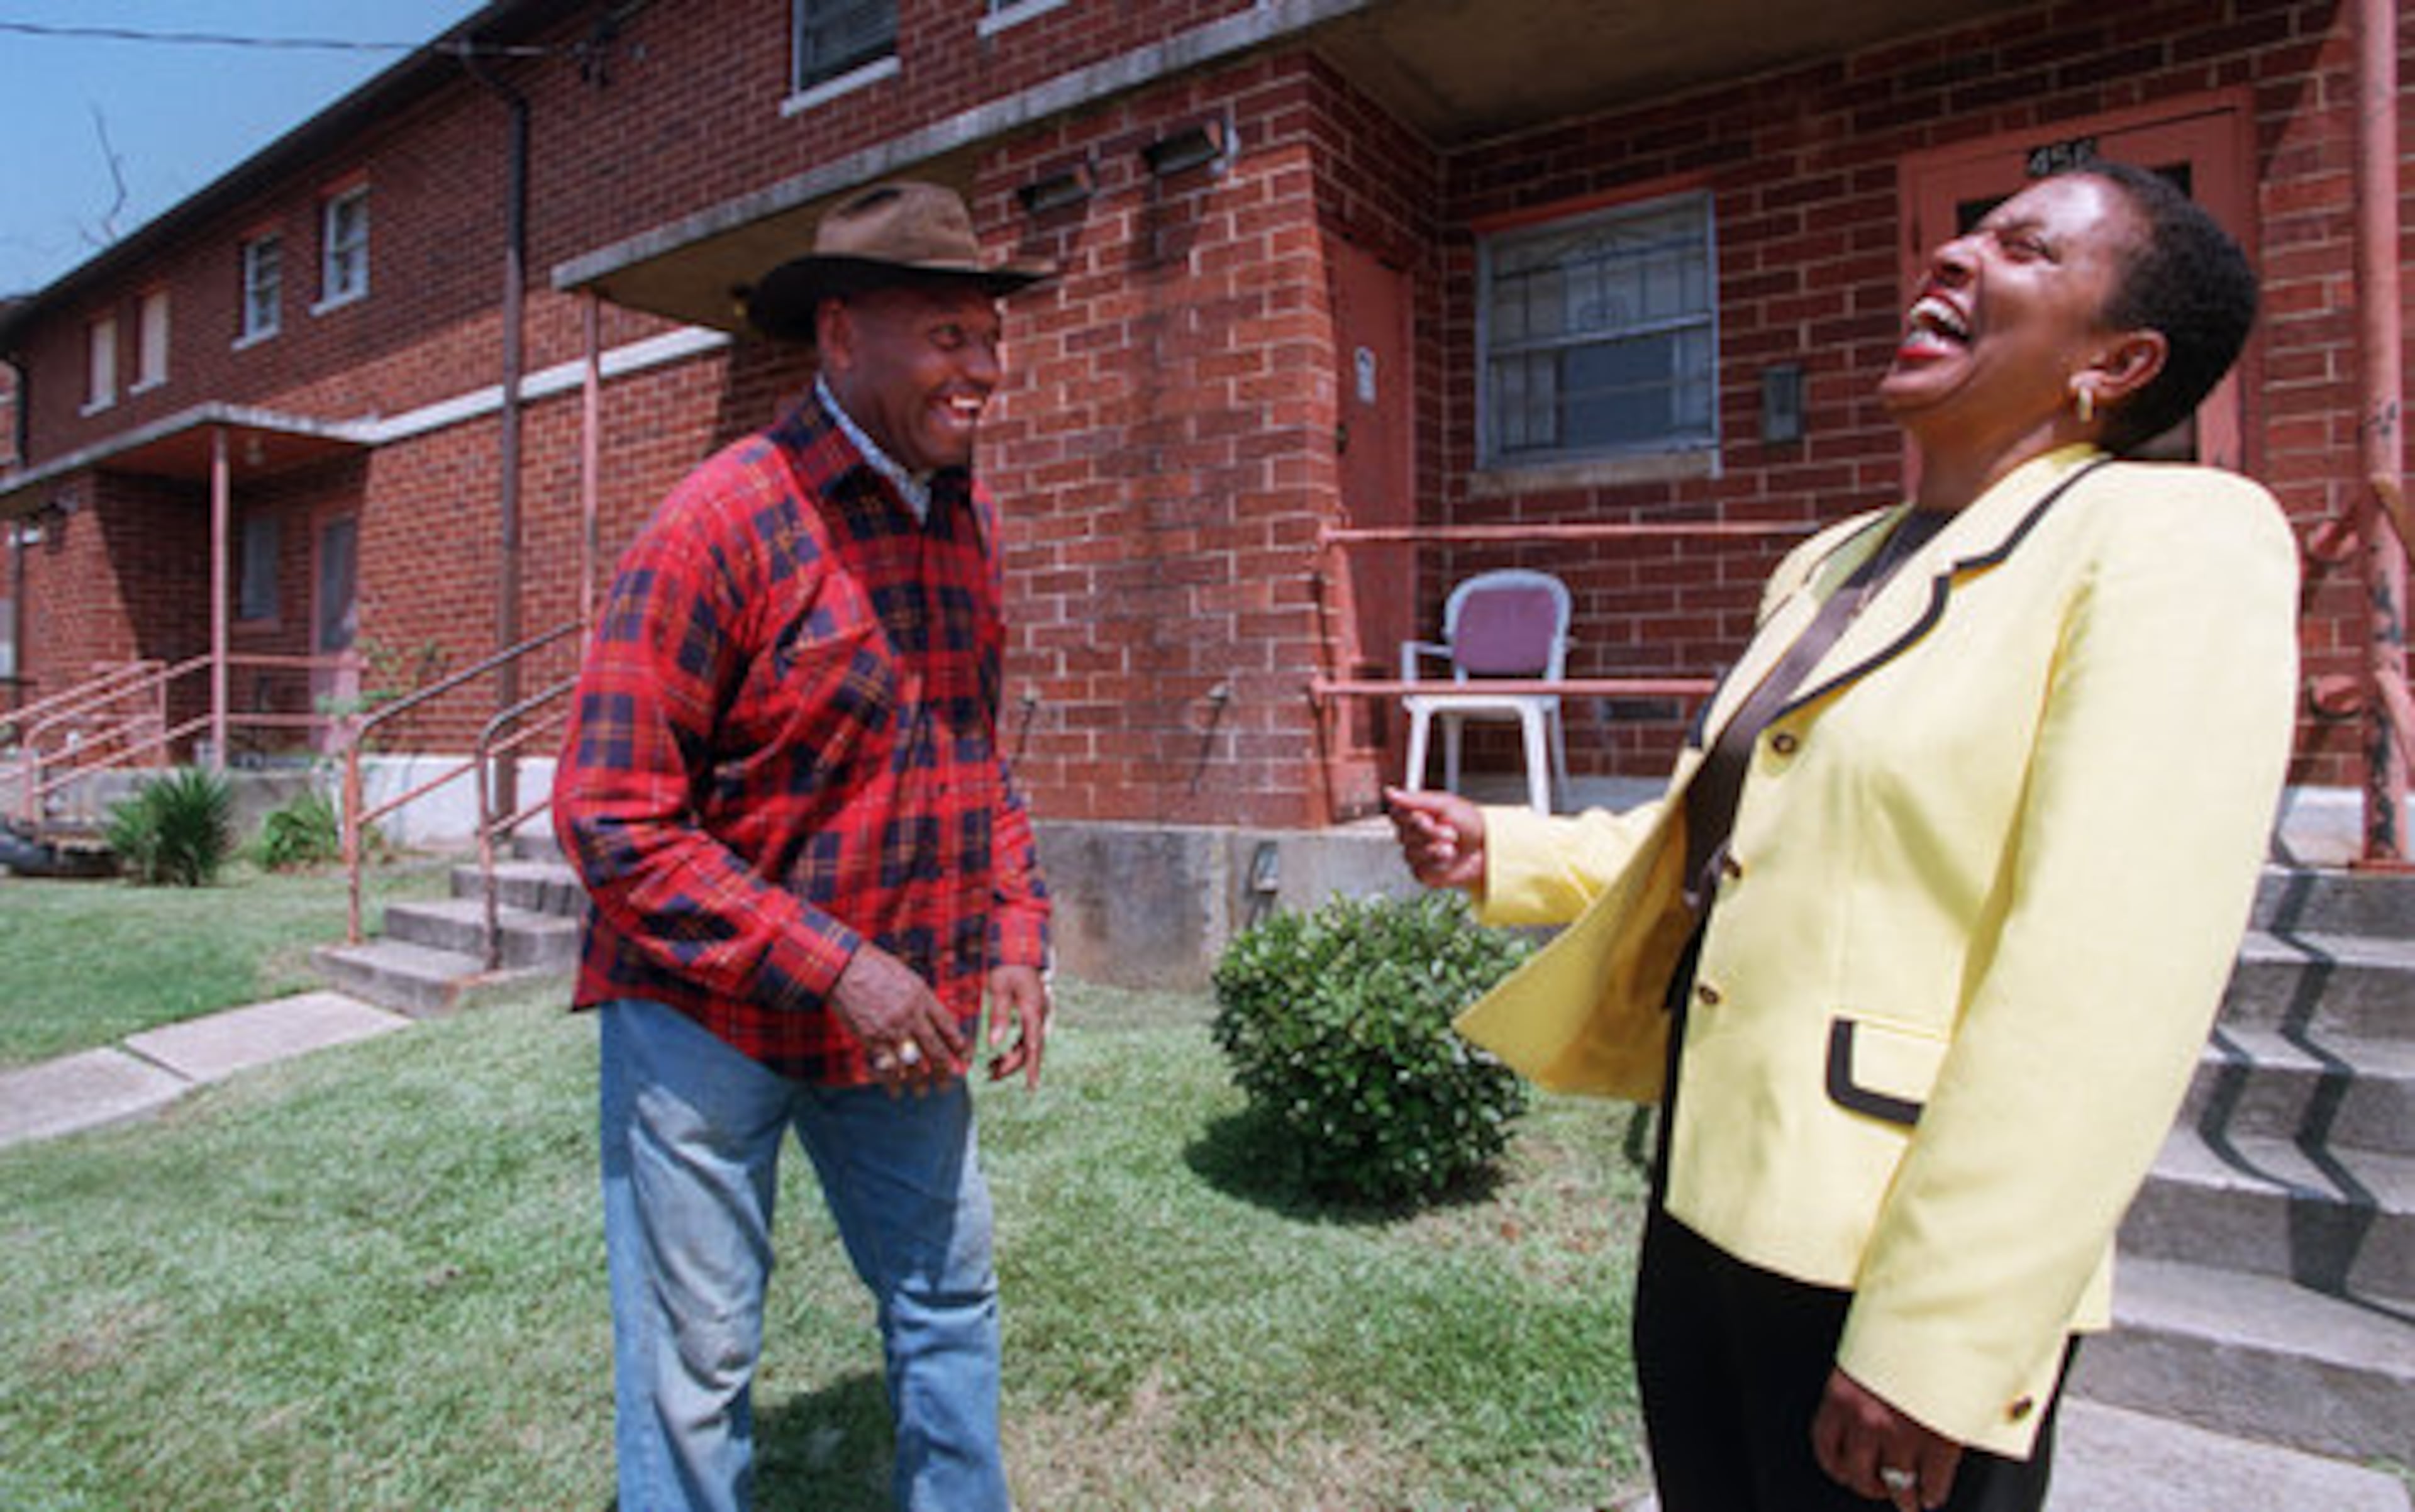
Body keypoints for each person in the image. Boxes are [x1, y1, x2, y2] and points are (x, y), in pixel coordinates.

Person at [1387, 161, 2297, 1512]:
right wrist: (1505, 853)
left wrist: (1944, 1335)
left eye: (2027, 249)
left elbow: (2107, 978)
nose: (1954, 256)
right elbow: (1769, 824)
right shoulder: (1841, 557)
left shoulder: (2173, 539)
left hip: (1886, 1254)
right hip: (1707, 1203)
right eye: (1967, 228)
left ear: (2118, 360)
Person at [553, 180, 1055, 1512]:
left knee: (948, 1294)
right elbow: (610, 816)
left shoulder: (967, 519)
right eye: (949, 335)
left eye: (991, 339)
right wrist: (837, 965)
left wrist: (1011, 925)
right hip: (704, 1020)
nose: (986, 372)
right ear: (841, 338)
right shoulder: (718, 523)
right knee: (697, 1357)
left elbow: (970, 741)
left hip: (900, 1008)